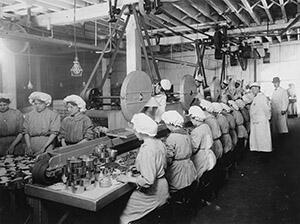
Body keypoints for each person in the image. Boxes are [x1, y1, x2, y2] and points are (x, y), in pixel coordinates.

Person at [117, 113, 169, 224]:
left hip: (153, 193)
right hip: (163, 187)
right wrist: (139, 166)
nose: (135, 133)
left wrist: (127, 178)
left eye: (135, 130)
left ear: (142, 131)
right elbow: (161, 164)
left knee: (124, 218)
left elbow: (147, 181)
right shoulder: (158, 142)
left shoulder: (147, 149)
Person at [161, 110, 197, 193]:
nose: (167, 127)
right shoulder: (186, 133)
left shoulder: (172, 137)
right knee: (187, 189)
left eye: (167, 124)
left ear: (171, 124)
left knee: (177, 190)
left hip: (178, 169)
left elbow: (169, 159)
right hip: (188, 166)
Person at [23, 92, 60, 156]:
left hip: (47, 144)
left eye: (40, 104)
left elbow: (54, 133)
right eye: (35, 104)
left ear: (46, 103)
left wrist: (44, 148)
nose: (37, 106)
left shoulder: (53, 115)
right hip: (32, 145)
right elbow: (26, 132)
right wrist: (29, 147)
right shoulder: (29, 115)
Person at [188, 106, 216, 180]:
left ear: (195, 118)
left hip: (200, 157)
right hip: (208, 153)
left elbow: (193, 149)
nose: (191, 121)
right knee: (206, 176)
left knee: (198, 177)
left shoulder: (196, 131)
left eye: (191, 119)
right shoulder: (206, 126)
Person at [249, 82, 272, 152]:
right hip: (257, 121)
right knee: (258, 138)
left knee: (262, 137)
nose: (252, 91)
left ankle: (264, 153)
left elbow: (266, 109)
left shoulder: (261, 97)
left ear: (257, 89)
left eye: (253, 89)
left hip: (261, 121)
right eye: (251, 89)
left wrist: (268, 118)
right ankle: (260, 150)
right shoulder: (256, 97)